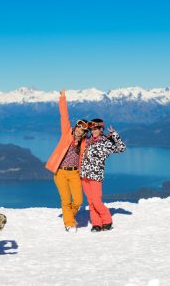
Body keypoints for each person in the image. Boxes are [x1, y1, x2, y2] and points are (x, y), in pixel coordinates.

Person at [46, 90, 88, 232]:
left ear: (84, 133)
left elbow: (96, 141)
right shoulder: (66, 133)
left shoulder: (83, 143)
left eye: (82, 130)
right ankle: (69, 223)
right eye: (78, 128)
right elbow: (64, 115)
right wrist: (62, 98)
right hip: (61, 173)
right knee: (66, 200)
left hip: (75, 173)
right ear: (75, 127)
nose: (79, 131)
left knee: (78, 200)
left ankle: (68, 216)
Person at [80, 118, 126, 232]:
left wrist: (114, 135)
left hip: (96, 176)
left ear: (101, 129)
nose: (94, 131)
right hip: (84, 175)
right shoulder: (88, 141)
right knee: (90, 202)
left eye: (96, 129)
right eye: (92, 129)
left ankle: (107, 220)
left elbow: (121, 148)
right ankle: (96, 224)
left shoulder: (105, 142)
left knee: (96, 200)